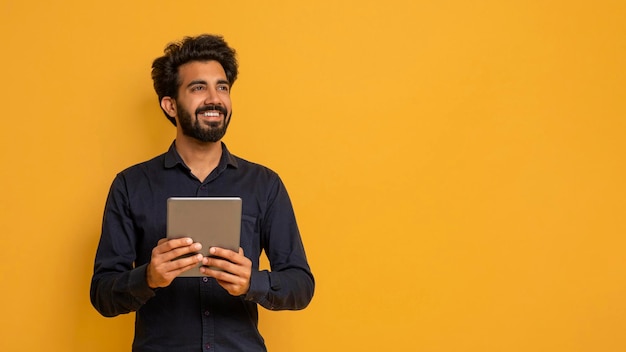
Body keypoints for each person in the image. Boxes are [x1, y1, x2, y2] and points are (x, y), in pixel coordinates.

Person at [90, 34, 315, 352]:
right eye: (198, 88)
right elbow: (102, 293)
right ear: (170, 104)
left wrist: (254, 283)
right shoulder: (131, 185)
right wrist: (148, 277)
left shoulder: (264, 184)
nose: (215, 99)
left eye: (222, 87)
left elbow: (301, 285)